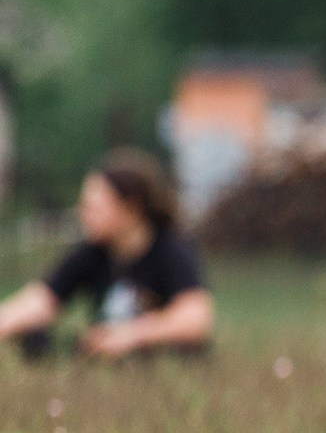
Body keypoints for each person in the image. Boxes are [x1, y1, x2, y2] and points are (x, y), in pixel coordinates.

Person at [0, 149, 213, 360]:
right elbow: (41, 301)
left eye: (93, 207)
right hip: (105, 355)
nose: (83, 215)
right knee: (38, 339)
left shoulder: (170, 249)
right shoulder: (91, 252)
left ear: (131, 207)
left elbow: (194, 317)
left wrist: (132, 335)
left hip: (152, 358)